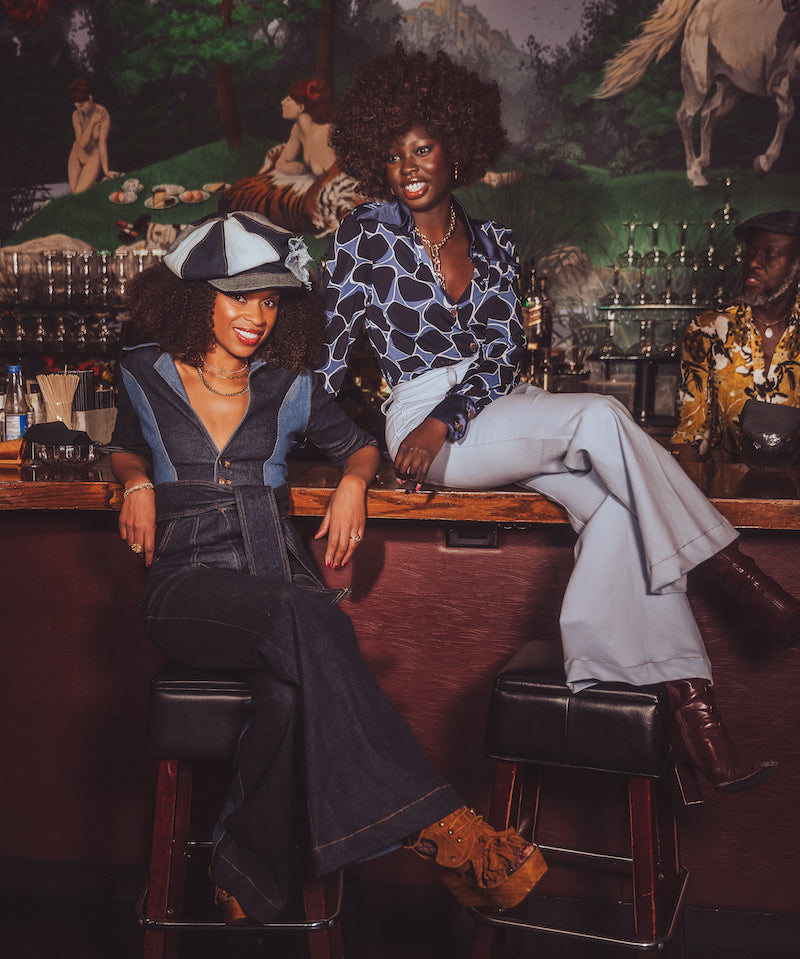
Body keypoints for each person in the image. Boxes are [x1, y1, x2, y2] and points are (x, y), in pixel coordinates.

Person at [319, 44, 793, 795]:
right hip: (418, 417)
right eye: (393, 153)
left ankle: (698, 724)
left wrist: (456, 413)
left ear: (455, 148)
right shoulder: (365, 238)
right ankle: (738, 579)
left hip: (494, 407)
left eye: (423, 146)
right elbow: (327, 358)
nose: (407, 165)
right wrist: (357, 452)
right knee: (602, 416)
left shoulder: (497, 243)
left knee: (617, 510)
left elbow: (504, 352)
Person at [107, 210, 546, 924]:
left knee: (285, 694)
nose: (257, 315)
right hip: (185, 582)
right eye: (240, 294)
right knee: (302, 611)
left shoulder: (293, 385)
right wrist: (134, 482)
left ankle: (241, 871)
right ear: (199, 296)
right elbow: (126, 445)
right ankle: (439, 828)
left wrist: (352, 484)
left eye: (272, 298)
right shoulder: (142, 370)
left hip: (272, 570)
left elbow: (361, 447)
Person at [672, 210, 800, 462]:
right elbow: (692, 432)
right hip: (726, 487)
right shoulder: (706, 330)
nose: (753, 263)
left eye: (770, 255)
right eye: (750, 253)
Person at [220, 78, 364, 237]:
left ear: (301, 107)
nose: (283, 102)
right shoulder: (298, 129)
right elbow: (284, 159)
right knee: (240, 196)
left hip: (333, 191)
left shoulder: (325, 132)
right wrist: (283, 165)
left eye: (288, 99)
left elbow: (340, 176)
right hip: (314, 184)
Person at [68, 78, 118, 193]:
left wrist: (106, 170)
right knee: (73, 192)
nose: (79, 109)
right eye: (77, 106)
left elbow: (102, 144)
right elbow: (82, 143)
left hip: (93, 156)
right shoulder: (76, 115)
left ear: (90, 98)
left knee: (79, 193)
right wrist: (92, 122)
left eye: (82, 105)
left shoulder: (103, 114)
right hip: (77, 153)